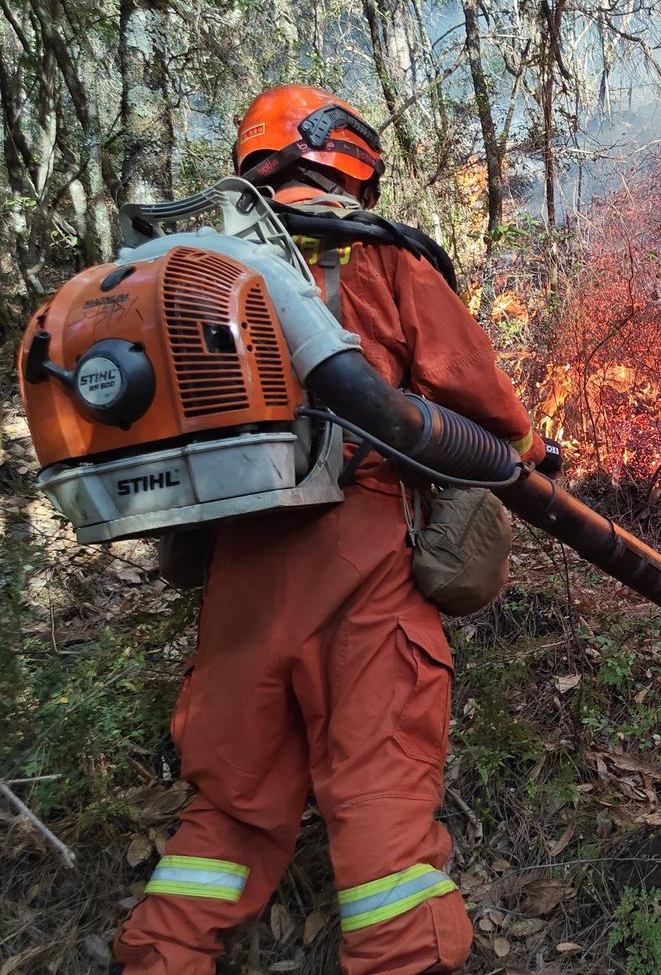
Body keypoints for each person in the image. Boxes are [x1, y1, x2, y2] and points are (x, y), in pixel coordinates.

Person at [114, 85, 545, 974]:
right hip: (360, 558)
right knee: (380, 796)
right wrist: (534, 454)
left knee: (225, 812)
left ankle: (161, 957)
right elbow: (479, 395)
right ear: (343, 153)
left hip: (237, 569)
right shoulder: (377, 255)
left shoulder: (185, 275)